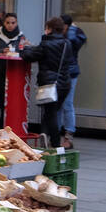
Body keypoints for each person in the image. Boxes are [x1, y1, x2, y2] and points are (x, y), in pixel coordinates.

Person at [20, 17, 75, 147]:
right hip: (65, 84)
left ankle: (55, 144)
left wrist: (25, 48)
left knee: (50, 114)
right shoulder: (67, 43)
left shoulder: (46, 44)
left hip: (50, 84)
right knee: (53, 112)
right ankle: (45, 138)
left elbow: (29, 56)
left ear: (49, 29)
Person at [59, 14, 87, 149]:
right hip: (69, 72)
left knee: (66, 104)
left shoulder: (72, 35)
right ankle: (63, 135)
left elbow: (70, 43)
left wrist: (70, 30)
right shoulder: (76, 34)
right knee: (63, 104)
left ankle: (67, 135)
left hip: (68, 72)